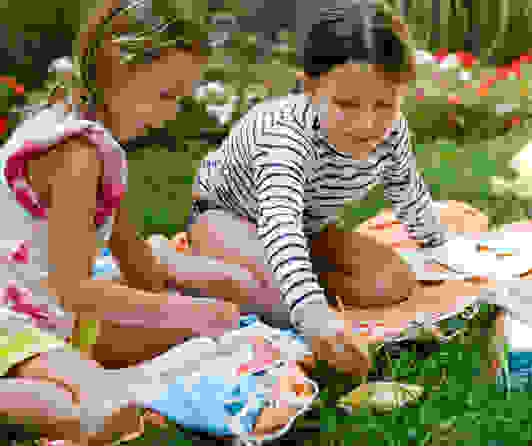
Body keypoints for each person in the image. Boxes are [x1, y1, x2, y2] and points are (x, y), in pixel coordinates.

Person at [0, 0, 312, 443]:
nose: (174, 111)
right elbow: (76, 292)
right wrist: (191, 311)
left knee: (199, 325)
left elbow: (136, 263)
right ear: (117, 73)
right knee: (97, 401)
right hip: (2, 318)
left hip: (47, 312)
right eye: (166, 94)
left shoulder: (99, 145)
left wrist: (215, 310)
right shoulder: (75, 155)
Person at [188, 0, 451, 377]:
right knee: (283, 309)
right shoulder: (284, 136)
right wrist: (315, 318)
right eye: (347, 104)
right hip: (226, 216)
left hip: (303, 229)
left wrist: (439, 247)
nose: (367, 122)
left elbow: (406, 188)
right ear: (310, 87)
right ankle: (184, 266)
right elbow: (279, 225)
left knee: (393, 282)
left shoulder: (391, 131)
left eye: (384, 104)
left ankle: (278, 276)